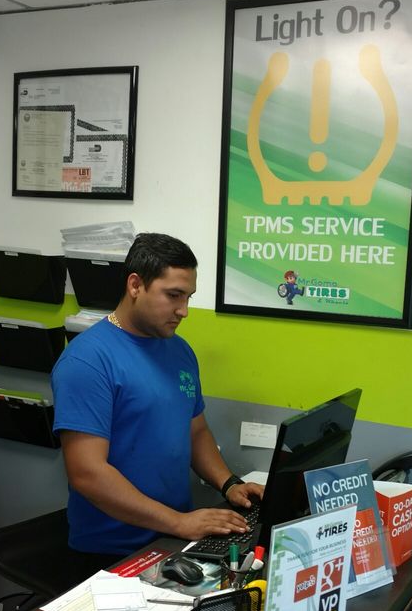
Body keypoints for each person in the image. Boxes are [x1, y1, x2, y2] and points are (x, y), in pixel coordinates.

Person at [52, 232, 264, 578]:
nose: (184, 310)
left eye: (188, 297)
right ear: (135, 285)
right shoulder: (88, 360)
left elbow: (195, 431)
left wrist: (229, 484)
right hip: (112, 552)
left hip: (171, 539)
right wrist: (179, 522)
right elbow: (86, 473)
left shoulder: (179, 350)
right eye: (173, 295)